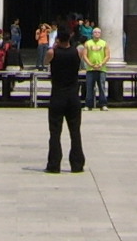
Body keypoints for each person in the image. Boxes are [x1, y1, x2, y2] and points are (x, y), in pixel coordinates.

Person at [45, 26, 85, 173]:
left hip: (57, 95)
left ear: (58, 39)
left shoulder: (52, 52)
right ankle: (77, 164)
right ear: (70, 38)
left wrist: (55, 46)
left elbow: (45, 62)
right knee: (75, 131)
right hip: (73, 95)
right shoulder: (78, 51)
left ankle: (54, 164)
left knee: (55, 132)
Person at [80, 25, 111, 110]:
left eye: (98, 32)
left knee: (102, 87)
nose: (96, 34)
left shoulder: (104, 43)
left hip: (101, 69)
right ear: (92, 34)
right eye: (95, 32)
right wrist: (89, 64)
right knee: (89, 87)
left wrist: (101, 63)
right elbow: (84, 55)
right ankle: (88, 105)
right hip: (90, 69)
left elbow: (107, 55)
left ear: (100, 34)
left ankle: (103, 104)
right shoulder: (88, 43)